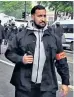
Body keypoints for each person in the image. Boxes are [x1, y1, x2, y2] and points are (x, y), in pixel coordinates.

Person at [5, 5, 69, 97]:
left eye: (44, 16)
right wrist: (21, 59)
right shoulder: (21, 36)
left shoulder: (54, 37)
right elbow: (9, 53)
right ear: (32, 16)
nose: (43, 19)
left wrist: (65, 82)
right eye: (39, 16)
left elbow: (62, 60)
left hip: (47, 87)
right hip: (24, 87)